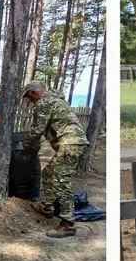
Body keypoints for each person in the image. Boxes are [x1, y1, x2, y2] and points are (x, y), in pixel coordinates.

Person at [21, 80, 89, 239]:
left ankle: (68, 224)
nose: (30, 101)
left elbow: (38, 129)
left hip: (70, 143)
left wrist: (26, 145)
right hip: (75, 142)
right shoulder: (57, 100)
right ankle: (46, 207)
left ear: (34, 92)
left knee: (60, 182)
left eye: (29, 97)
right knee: (48, 172)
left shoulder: (43, 103)